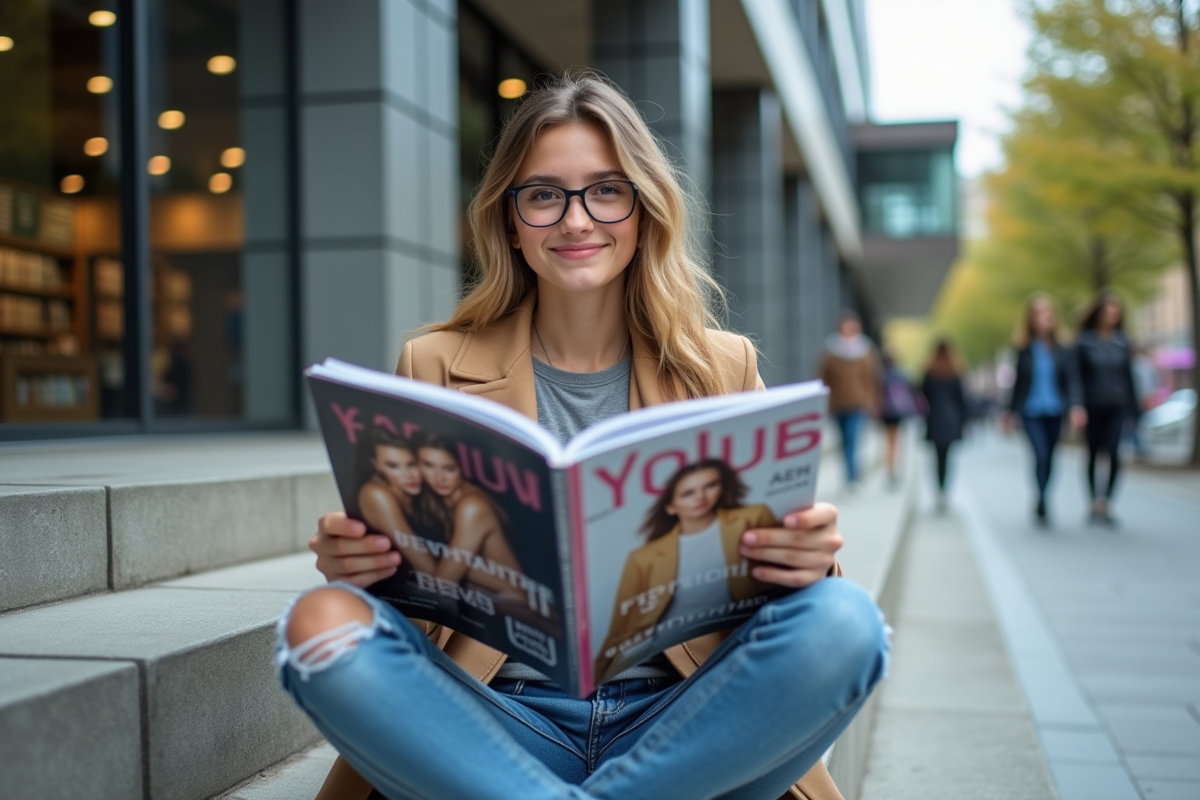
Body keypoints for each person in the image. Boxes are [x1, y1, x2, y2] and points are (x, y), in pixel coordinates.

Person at [285, 73, 886, 800]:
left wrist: (807, 561)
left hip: (683, 724)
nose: (576, 220)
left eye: (606, 190)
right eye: (544, 195)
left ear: (643, 211)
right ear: (510, 220)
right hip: (495, 723)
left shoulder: (722, 366)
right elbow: (416, 610)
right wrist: (364, 568)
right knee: (321, 622)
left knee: (847, 620)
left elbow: (779, 603)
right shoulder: (436, 362)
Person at [594, 459, 777, 679]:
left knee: (827, 603)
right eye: (688, 493)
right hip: (619, 667)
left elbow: (784, 584)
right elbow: (621, 628)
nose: (701, 497)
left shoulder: (752, 518)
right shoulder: (644, 557)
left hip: (698, 672)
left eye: (710, 486)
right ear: (670, 506)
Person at [1071, 291, 1140, 525]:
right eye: (1107, 310)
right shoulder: (1084, 342)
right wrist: (1077, 406)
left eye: (1115, 311)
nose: (1112, 315)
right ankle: (1093, 502)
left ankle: (1106, 503)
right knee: (1093, 454)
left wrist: (1135, 410)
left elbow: (1129, 378)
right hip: (1092, 406)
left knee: (1113, 452)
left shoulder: (1122, 342)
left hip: (1116, 405)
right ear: (1098, 313)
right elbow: (1076, 377)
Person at [1006, 295, 1072, 525]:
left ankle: (1045, 495)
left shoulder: (1063, 348)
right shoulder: (1023, 348)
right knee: (1039, 454)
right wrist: (1010, 412)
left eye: (1047, 314)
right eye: (1038, 315)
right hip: (1030, 410)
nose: (1044, 319)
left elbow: (1071, 381)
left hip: (1056, 410)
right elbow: (1017, 383)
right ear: (1031, 319)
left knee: (1051, 457)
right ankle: (1040, 496)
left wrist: (1075, 407)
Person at [819, 311, 881, 490]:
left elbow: (872, 379)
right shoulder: (831, 351)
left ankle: (852, 478)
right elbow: (824, 378)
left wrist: (873, 401)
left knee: (853, 439)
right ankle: (849, 476)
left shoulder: (866, 351)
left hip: (858, 404)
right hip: (838, 404)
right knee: (845, 441)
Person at [920, 339, 969, 510]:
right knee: (947, 459)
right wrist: (964, 422)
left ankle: (939, 491)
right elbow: (962, 400)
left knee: (937, 459)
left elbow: (922, 393)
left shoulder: (929, 372)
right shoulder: (955, 372)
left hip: (934, 420)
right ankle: (944, 491)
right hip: (951, 420)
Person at [879, 349, 918, 487]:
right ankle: (894, 470)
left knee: (888, 442)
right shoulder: (903, 374)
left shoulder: (880, 375)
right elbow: (912, 391)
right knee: (897, 442)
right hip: (898, 412)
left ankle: (890, 470)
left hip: (885, 412)